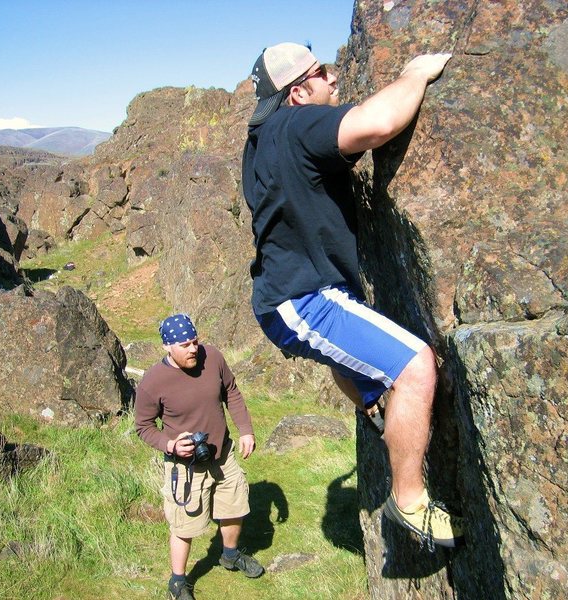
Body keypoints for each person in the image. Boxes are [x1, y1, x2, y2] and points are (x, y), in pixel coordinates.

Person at [241, 43, 463, 549]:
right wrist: (415, 73)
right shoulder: (298, 126)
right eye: (323, 74)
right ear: (298, 93)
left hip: (294, 296)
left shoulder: (261, 138)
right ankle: (409, 502)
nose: (335, 78)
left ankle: (372, 404)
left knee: (357, 349)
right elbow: (378, 123)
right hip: (305, 301)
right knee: (416, 366)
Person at [135, 313, 264, 600]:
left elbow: (231, 392)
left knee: (235, 508)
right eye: (185, 345)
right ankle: (178, 582)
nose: (193, 349)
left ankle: (229, 555)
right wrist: (170, 445)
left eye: (195, 341)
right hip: (186, 467)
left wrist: (245, 430)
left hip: (223, 455)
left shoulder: (213, 357)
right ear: (168, 347)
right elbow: (143, 427)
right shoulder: (152, 383)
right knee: (185, 527)